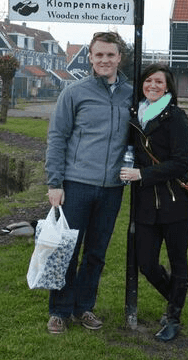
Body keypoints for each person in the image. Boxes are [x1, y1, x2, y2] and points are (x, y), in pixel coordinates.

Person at [44, 31, 133, 335]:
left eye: (110, 55)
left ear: (119, 58)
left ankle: (84, 307)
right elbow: (57, 138)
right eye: (99, 55)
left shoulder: (129, 95)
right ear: (91, 58)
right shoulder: (75, 93)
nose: (105, 60)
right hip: (77, 184)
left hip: (112, 189)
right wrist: (55, 183)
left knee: (96, 253)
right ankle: (59, 310)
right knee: (66, 249)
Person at [120, 63, 188, 342]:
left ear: (168, 88)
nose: (153, 86)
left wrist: (143, 174)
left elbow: (181, 163)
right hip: (145, 206)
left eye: (159, 83)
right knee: (147, 264)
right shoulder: (135, 115)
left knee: (178, 262)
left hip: (176, 203)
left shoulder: (175, 117)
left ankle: (173, 317)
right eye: (148, 81)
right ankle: (175, 298)